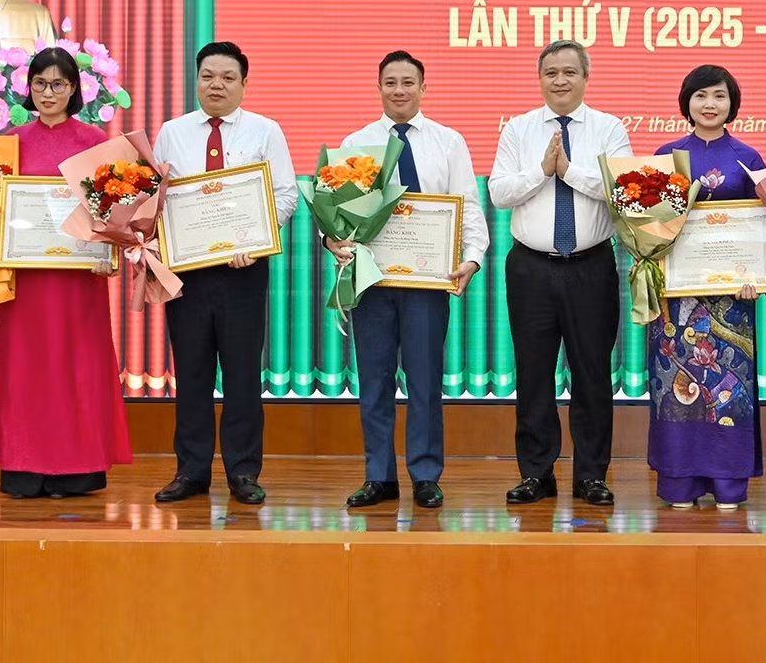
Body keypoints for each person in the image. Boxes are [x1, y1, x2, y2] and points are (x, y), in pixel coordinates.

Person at [326, 51, 488, 511]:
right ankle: (378, 476)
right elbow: (334, 209)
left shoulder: (448, 142)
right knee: (373, 382)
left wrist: (472, 259)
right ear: (378, 87)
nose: (399, 90)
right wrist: (330, 240)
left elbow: (468, 206)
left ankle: (424, 474)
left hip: (428, 283)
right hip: (372, 282)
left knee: (424, 382)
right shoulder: (357, 141)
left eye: (408, 82)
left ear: (423, 87)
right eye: (390, 83)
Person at [149, 42, 298, 504]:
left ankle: (243, 472)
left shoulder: (265, 130)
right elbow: (155, 199)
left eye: (227, 77)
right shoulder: (172, 133)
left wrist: (254, 243)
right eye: (208, 75)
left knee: (241, 375)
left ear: (243, 83)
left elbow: (287, 196)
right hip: (187, 273)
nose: (216, 84)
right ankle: (191, 472)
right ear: (196, 80)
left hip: (243, 272)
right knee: (190, 373)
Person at [488, 40, 633, 506]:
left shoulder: (610, 129)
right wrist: (540, 171)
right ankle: (536, 473)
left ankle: (591, 474)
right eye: (551, 72)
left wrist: (568, 171)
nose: (560, 81)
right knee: (533, 374)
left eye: (569, 72)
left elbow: (622, 192)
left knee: (592, 373)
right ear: (540, 78)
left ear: (585, 78)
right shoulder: (518, 130)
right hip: (530, 268)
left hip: (590, 267)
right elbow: (498, 192)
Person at [0, 47, 134, 498]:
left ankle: (79, 467)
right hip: (26, 279)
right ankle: (23, 466)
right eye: (40, 84)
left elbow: (119, 210)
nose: (48, 93)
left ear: (75, 89)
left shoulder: (96, 141)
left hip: (77, 279)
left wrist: (112, 244)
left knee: (77, 365)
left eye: (58, 84)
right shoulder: (7, 140)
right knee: (26, 367)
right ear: (28, 88)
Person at [650, 65, 765, 511]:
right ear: (687, 102)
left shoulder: (748, 159)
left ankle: (728, 483)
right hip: (676, 298)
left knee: (727, 388)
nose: (710, 104)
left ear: (732, 103)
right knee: (676, 386)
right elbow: (651, 225)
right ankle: (679, 482)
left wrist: (756, 275)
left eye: (719, 96)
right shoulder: (666, 155)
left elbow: (762, 224)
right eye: (701, 96)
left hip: (732, 301)